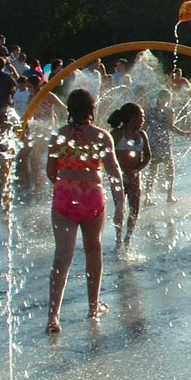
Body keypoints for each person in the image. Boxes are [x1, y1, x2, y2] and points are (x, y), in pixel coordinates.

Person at [46, 89, 125, 334]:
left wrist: (64, 185)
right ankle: (93, 307)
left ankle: (53, 316)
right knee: (94, 249)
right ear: (92, 109)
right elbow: (114, 173)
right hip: (92, 194)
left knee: (62, 256)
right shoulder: (101, 137)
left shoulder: (59, 136)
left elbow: (51, 171)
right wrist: (121, 204)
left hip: (66, 195)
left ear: (69, 110)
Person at [109, 102, 151, 248]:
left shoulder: (141, 135)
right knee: (120, 208)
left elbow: (147, 156)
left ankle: (128, 239)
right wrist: (115, 171)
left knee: (135, 209)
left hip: (134, 178)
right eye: (142, 117)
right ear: (133, 117)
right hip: (118, 178)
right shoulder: (116, 134)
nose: (143, 120)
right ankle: (118, 238)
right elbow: (107, 156)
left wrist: (137, 169)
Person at [144, 89, 191, 205]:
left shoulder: (150, 111)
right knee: (170, 169)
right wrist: (185, 133)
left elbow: (144, 128)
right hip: (163, 142)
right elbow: (171, 127)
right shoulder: (169, 111)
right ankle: (169, 196)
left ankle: (148, 197)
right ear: (168, 99)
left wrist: (140, 142)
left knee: (153, 170)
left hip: (152, 142)